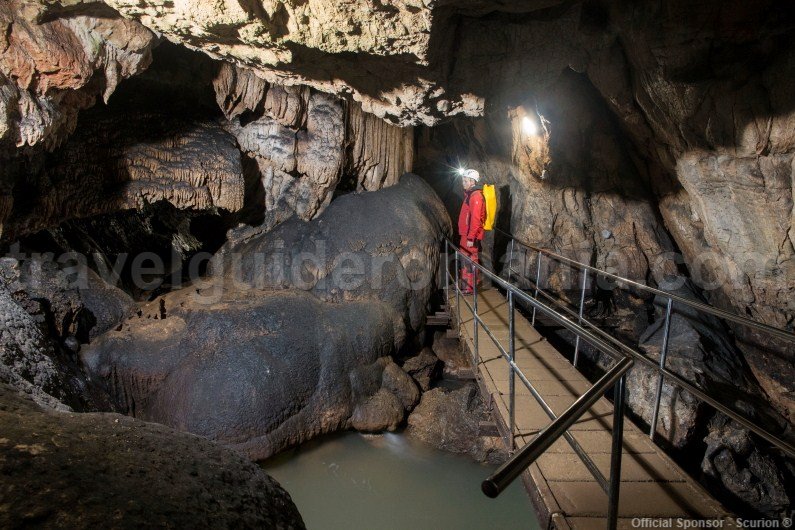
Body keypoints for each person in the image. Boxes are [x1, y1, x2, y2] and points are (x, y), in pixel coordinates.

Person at [458, 169, 486, 294]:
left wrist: (470, 237)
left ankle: (470, 287)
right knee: (465, 259)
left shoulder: (476, 196)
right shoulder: (470, 195)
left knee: (470, 259)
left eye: (465, 180)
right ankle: (466, 285)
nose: (463, 183)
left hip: (470, 236)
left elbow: (475, 219)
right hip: (466, 234)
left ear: (472, 181)